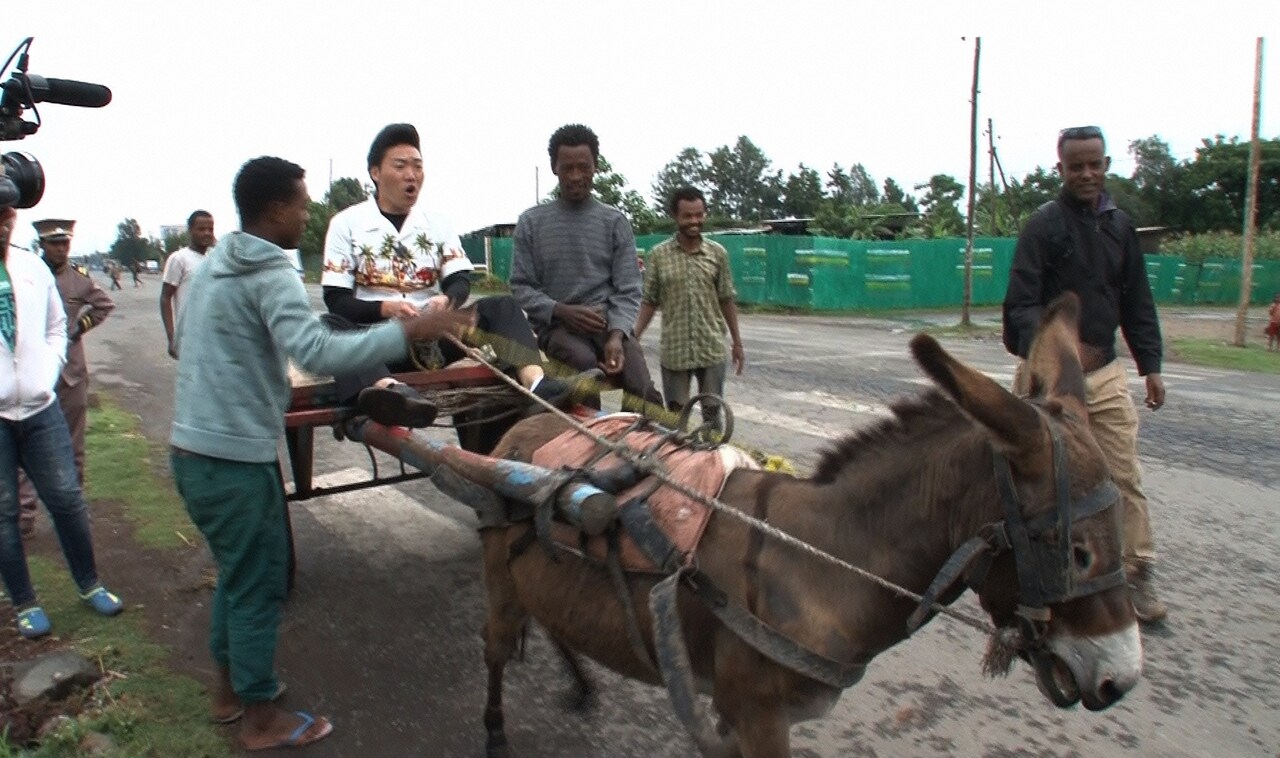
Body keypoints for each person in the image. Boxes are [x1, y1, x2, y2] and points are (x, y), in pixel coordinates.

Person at [170, 156, 473, 751]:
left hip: (191, 450)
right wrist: (406, 335)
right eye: (303, 205)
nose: (307, 216)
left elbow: (187, 341)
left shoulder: (212, 269)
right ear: (276, 209)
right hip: (233, 457)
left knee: (236, 574)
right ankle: (261, 718)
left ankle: (229, 692)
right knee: (259, 581)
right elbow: (313, 349)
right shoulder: (273, 270)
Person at [1002, 125, 1168, 623]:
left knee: (1123, 477)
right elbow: (1019, 308)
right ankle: (1035, 578)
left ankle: (1137, 574)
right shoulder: (1043, 227)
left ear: (1107, 164)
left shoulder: (1120, 228)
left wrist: (1151, 365)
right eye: (1077, 166)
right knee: (1040, 484)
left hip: (1107, 378)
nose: (1087, 174)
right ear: (1061, 170)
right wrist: (1056, 351)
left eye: (1095, 164)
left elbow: (1137, 301)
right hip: (1049, 383)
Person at [321, 123, 574, 426]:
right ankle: (392, 393)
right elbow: (335, 299)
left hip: (431, 342)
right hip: (375, 345)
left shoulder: (437, 223)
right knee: (329, 325)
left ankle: (536, 384)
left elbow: (459, 279)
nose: (411, 175)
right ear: (375, 173)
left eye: (417, 166)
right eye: (400, 166)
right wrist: (386, 308)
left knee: (501, 306)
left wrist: (447, 299)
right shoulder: (346, 223)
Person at [0, 206, 125, 640]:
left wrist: (51, 362)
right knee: (4, 511)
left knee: (68, 496)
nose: (59, 247)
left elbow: (59, 324)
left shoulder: (36, 269)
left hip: (46, 397)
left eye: (4, 215)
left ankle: (90, 583)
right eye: (54, 241)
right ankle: (25, 601)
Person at [510, 123, 662, 414]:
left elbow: (629, 288)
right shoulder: (531, 223)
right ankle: (590, 446)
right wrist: (560, 310)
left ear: (596, 167)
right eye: (568, 168)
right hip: (558, 328)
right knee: (583, 371)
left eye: (584, 167)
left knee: (641, 386)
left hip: (608, 326)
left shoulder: (614, 222)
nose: (576, 176)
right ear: (554, 167)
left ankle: (658, 450)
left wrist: (618, 334)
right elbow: (521, 286)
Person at [16, 220, 115, 538]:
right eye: (54, 244)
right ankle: (24, 513)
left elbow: (103, 305)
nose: (61, 249)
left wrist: (79, 328)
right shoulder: (25, 274)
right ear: (41, 245)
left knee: (73, 447)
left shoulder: (78, 279)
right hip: (31, 374)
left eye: (65, 243)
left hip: (70, 374)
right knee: (24, 445)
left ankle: (72, 513)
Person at [633, 187, 744, 431]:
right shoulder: (659, 256)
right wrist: (634, 338)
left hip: (711, 347)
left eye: (699, 215)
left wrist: (737, 342)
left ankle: (711, 463)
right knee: (675, 418)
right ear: (675, 216)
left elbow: (727, 298)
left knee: (713, 414)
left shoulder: (717, 254)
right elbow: (649, 301)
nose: (694, 221)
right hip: (675, 350)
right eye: (687, 216)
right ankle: (678, 466)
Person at [161, 210, 215, 359]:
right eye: (201, 229)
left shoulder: (214, 259)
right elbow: (165, 298)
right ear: (190, 231)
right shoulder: (179, 259)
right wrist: (171, 338)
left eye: (210, 229)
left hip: (214, 338)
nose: (207, 233)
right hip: (189, 338)